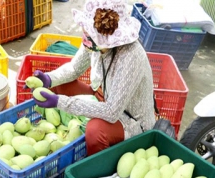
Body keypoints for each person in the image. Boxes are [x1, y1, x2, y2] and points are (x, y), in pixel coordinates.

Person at [29, 0, 156, 156]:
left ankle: (100, 165)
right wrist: (47, 79)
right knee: (60, 86)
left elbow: (111, 111)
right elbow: (74, 68)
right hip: (103, 98)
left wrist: (59, 102)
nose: (84, 31)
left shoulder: (131, 56)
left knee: (95, 130)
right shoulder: (94, 43)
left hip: (133, 122)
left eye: (90, 30)